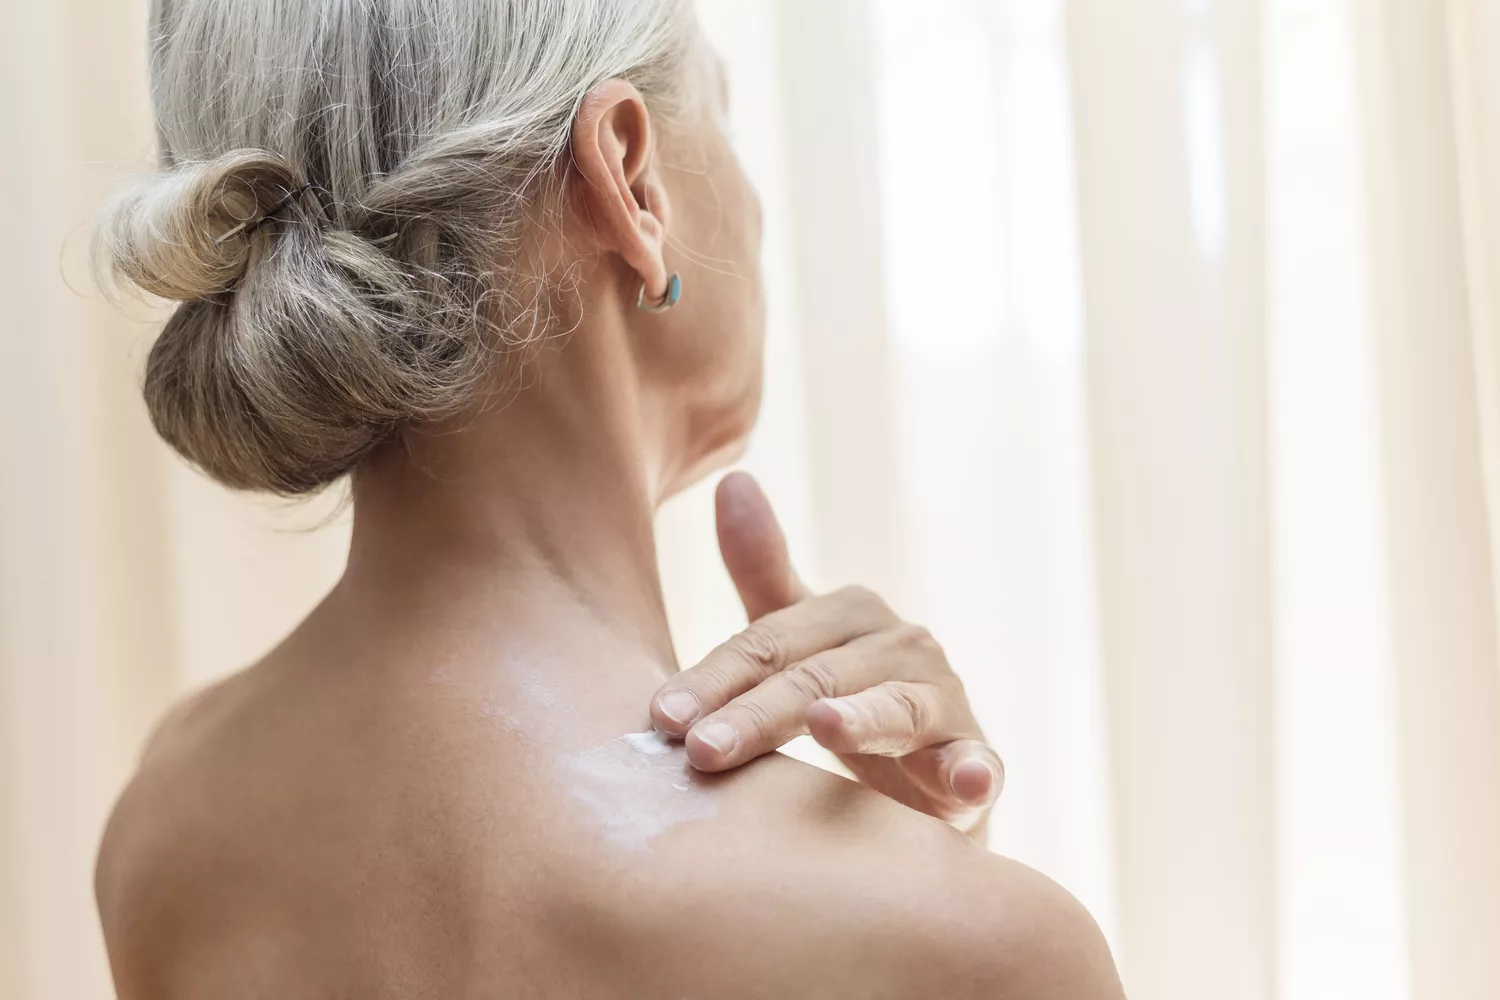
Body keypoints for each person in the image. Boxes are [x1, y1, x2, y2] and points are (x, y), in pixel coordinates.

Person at [94, 1, 1126, 997]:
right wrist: (943, 891)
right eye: (723, 115)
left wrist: (924, 861)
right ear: (631, 176)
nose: (758, 206)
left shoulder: (167, 825)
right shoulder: (976, 944)